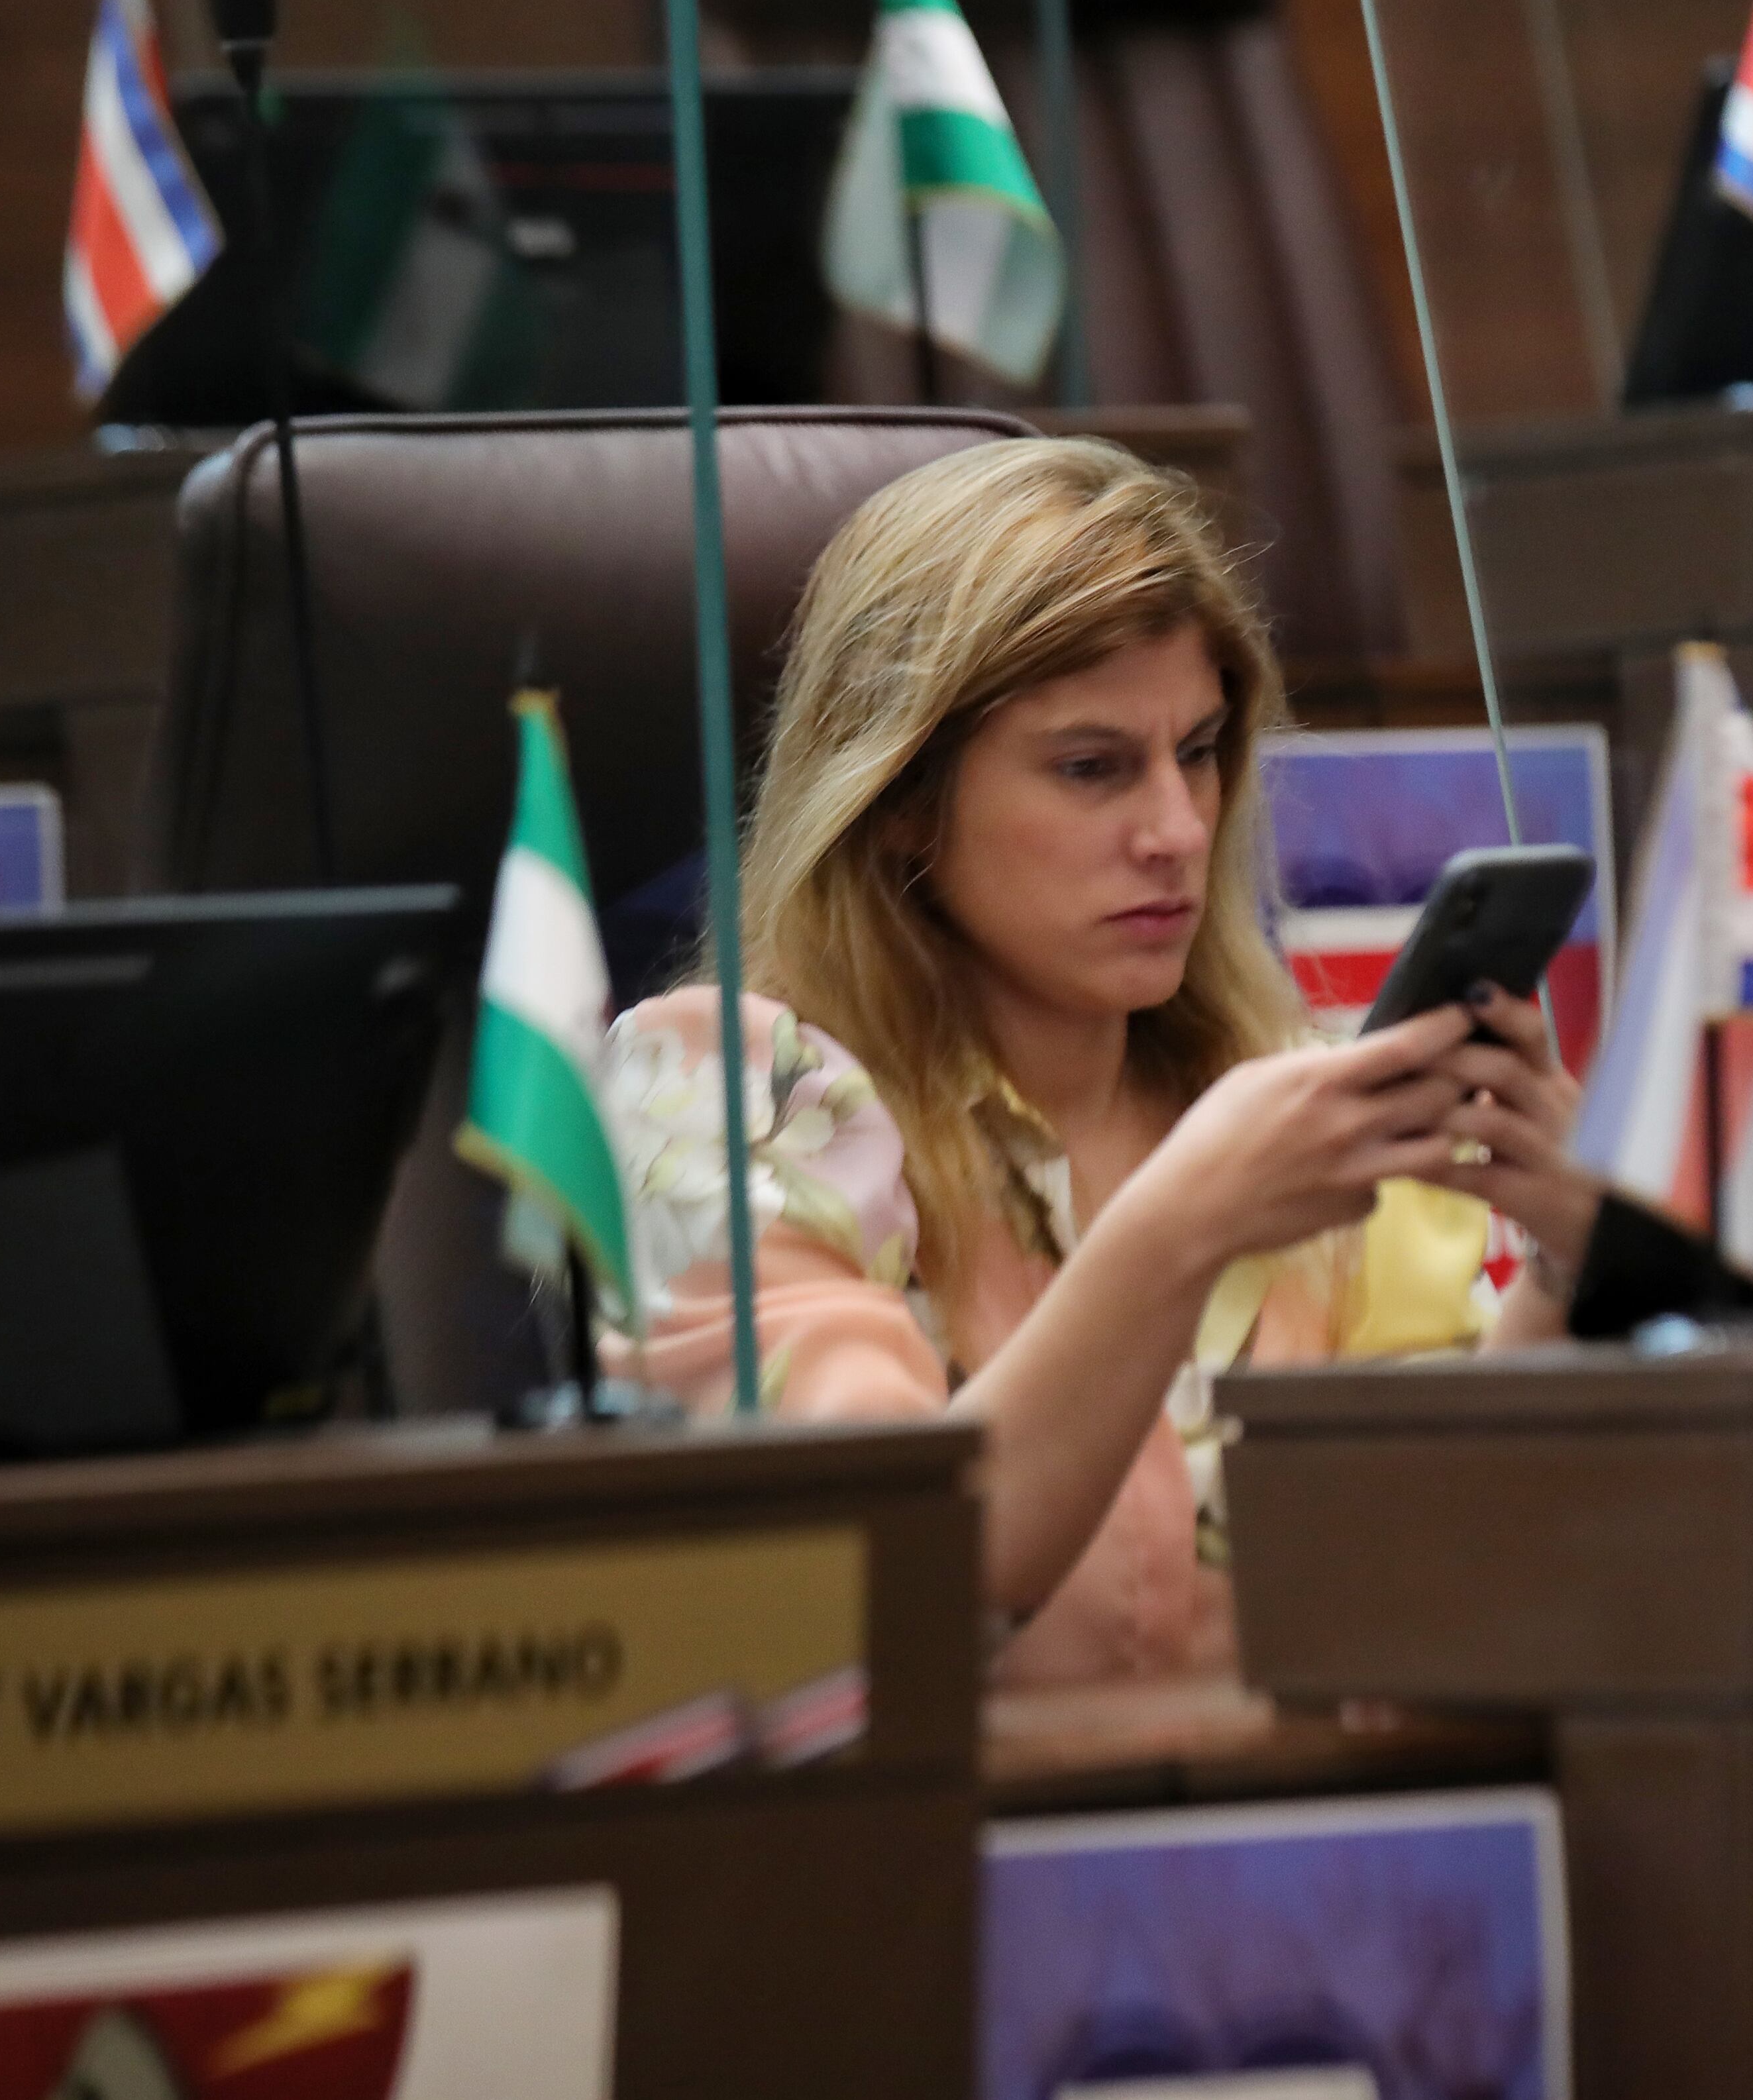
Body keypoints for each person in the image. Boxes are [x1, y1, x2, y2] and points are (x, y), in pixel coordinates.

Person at [601, 438, 1600, 1685]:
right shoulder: (725, 1093)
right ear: (902, 798)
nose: (1178, 830)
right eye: (1092, 768)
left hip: (1292, 1804)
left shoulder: (1287, 1101)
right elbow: (883, 1586)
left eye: (1200, 751)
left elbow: (1430, 1582)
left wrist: (1567, 1269)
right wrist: (1180, 1225)